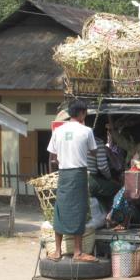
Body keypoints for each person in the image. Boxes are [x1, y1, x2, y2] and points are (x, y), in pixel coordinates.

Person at [46, 100, 98, 262]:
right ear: (82, 113)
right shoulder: (87, 131)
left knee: (60, 209)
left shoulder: (58, 131)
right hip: (79, 174)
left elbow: (52, 157)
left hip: (64, 174)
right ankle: (77, 252)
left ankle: (57, 251)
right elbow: (95, 152)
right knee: (79, 209)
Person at [88, 125, 121, 211]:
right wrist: (110, 178)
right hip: (90, 178)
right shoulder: (98, 142)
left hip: (76, 176)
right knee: (117, 188)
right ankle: (112, 215)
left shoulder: (79, 141)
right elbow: (102, 167)